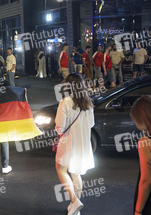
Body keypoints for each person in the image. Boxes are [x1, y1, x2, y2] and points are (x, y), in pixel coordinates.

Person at [55, 73, 95, 215]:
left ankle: (74, 201)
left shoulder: (65, 102)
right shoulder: (88, 103)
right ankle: (75, 207)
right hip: (82, 144)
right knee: (76, 174)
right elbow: (91, 124)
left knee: (61, 169)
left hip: (68, 143)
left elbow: (60, 127)